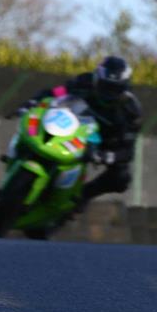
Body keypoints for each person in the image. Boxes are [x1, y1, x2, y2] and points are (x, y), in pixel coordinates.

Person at [15, 55, 143, 206]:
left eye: (115, 88)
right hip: (71, 124)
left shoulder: (131, 111)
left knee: (121, 178)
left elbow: (127, 152)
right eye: (105, 86)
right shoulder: (83, 81)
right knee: (38, 119)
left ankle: (82, 197)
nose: (108, 93)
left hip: (104, 141)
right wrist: (32, 102)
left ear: (125, 87)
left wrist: (104, 156)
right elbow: (54, 93)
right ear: (96, 79)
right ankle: (18, 157)